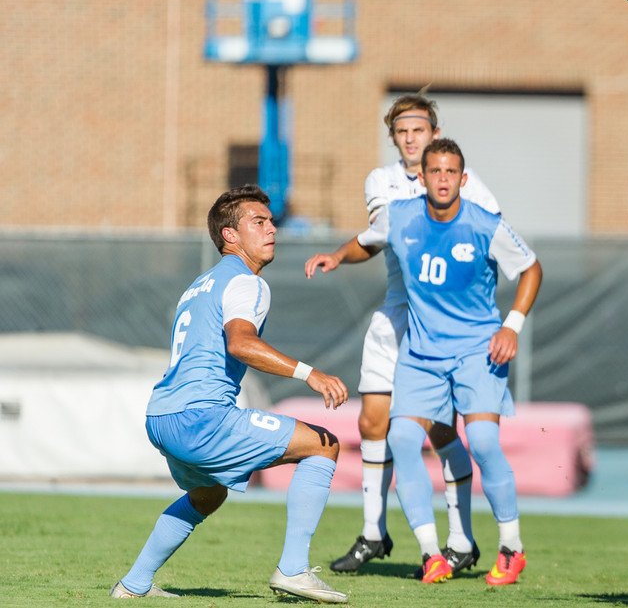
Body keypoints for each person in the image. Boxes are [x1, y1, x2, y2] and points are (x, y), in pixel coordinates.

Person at [315, 138, 541, 585]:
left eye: (450, 172)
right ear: (422, 177)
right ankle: (432, 553)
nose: (441, 179)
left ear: (463, 178)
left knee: (482, 440)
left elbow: (531, 268)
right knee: (400, 439)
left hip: (479, 349)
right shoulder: (399, 216)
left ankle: (511, 548)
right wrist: (338, 256)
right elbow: (366, 241)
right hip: (421, 354)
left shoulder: (484, 223)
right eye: (434, 171)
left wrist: (511, 326)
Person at [111, 185, 350, 604]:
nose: (271, 228)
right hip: (202, 416)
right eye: (258, 222)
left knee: (208, 493)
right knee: (323, 445)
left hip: (162, 416)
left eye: (271, 221)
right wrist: (309, 374)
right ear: (230, 236)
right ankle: (293, 570)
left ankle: (133, 585)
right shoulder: (245, 282)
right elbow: (240, 343)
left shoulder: (200, 284)